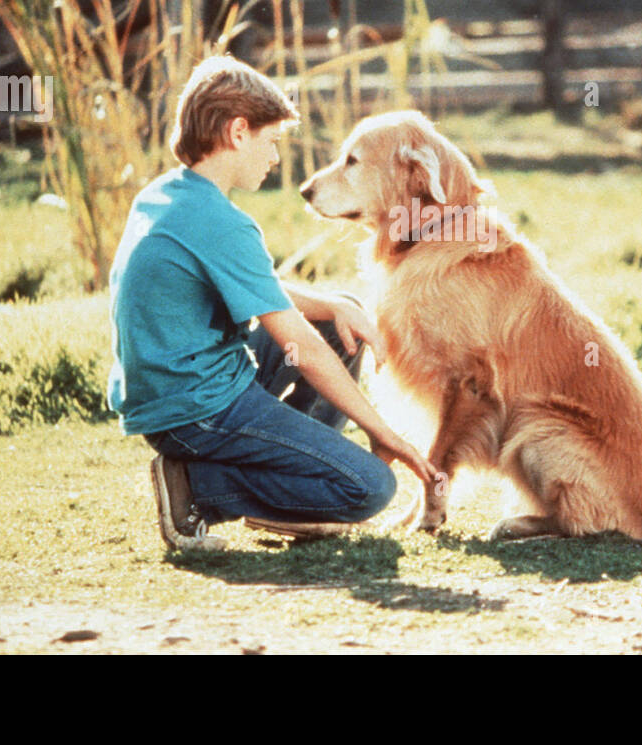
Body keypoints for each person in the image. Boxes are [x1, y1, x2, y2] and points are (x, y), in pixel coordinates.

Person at [107, 54, 441, 550]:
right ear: (238, 132)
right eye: (272, 141)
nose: (276, 158)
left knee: (337, 318)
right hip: (196, 410)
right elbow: (298, 345)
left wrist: (333, 306)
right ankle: (198, 489)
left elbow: (261, 290)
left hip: (172, 393)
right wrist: (384, 432)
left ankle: (292, 481)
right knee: (371, 486)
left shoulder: (167, 195)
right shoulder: (224, 222)